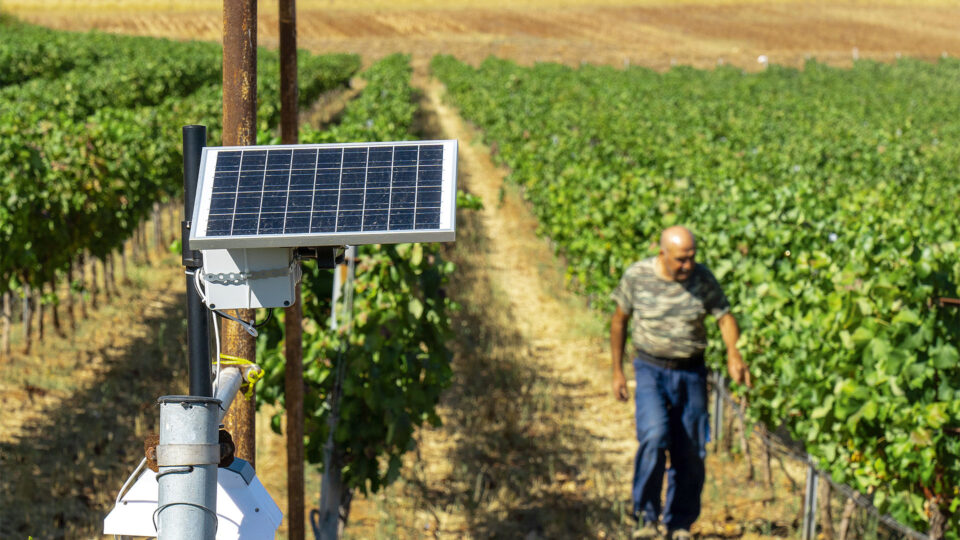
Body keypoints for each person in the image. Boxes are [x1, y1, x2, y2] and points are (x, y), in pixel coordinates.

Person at [610, 225, 751, 540]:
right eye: (680, 260)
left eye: (691, 257)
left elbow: (725, 317)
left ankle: (679, 524)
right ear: (662, 254)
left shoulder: (702, 278)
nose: (688, 265)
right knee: (654, 437)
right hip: (650, 369)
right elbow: (620, 320)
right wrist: (617, 370)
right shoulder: (638, 276)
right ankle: (646, 519)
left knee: (690, 449)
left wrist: (733, 354)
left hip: (691, 373)